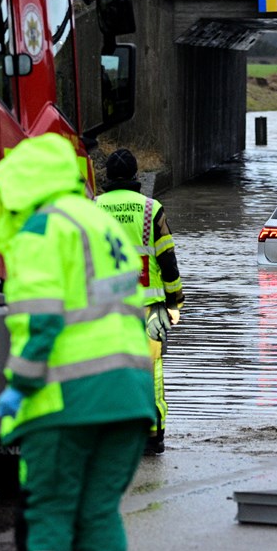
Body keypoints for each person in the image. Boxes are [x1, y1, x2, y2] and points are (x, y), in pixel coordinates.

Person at [0, 134, 155, 551]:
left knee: (50, 514)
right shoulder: (98, 222)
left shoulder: (42, 229)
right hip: (131, 395)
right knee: (99, 513)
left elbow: (40, 322)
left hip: (71, 399)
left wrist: (19, 387)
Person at [96, 148, 184, 455]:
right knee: (150, 371)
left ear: (107, 176)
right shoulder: (152, 210)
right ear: (135, 176)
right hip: (149, 310)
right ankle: (150, 434)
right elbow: (168, 261)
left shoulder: (92, 208)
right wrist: (175, 302)